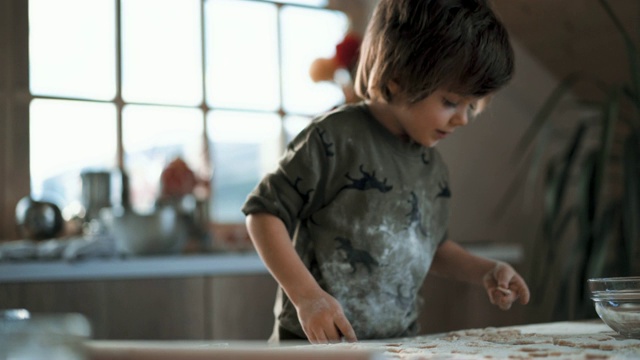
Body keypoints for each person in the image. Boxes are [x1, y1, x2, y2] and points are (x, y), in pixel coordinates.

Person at [242, 0, 530, 344]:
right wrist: (308, 297)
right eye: (451, 102)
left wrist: (486, 271)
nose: (463, 119)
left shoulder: (432, 167)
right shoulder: (333, 137)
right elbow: (263, 214)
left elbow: (431, 247)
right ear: (397, 80)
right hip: (312, 346)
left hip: (398, 347)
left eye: (472, 106)